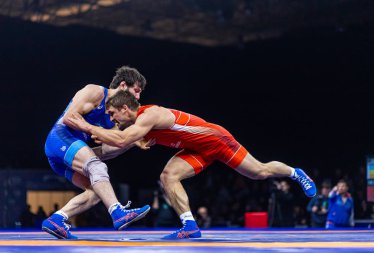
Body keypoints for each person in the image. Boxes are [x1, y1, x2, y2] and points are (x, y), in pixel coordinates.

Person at [67, 90, 317, 239]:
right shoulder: (136, 126)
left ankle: (295, 173)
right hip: (195, 149)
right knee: (167, 176)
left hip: (217, 140)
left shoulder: (149, 116)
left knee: (259, 172)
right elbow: (115, 147)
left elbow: (120, 140)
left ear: (124, 108)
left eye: (112, 114)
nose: (111, 119)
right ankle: (190, 225)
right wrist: (79, 153)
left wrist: (88, 127)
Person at [43, 66, 151, 239]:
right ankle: (117, 213)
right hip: (59, 138)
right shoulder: (96, 92)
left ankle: (56, 219)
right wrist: (93, 129)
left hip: (66, 154)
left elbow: (107, 150)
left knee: (96, 192)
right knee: (97, 167)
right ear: (123, 85)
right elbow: (69, 117)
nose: (138, 97)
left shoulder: (111, 116)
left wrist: (131, 141)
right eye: (136, 91)